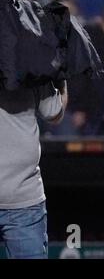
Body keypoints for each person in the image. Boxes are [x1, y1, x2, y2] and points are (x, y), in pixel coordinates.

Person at [0, 81, 68, 258]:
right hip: (24, 198)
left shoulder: (30, 61)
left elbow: (54, 113)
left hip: (24, 200)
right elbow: (55, 113)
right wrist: (61, 77)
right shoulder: (28, 58)